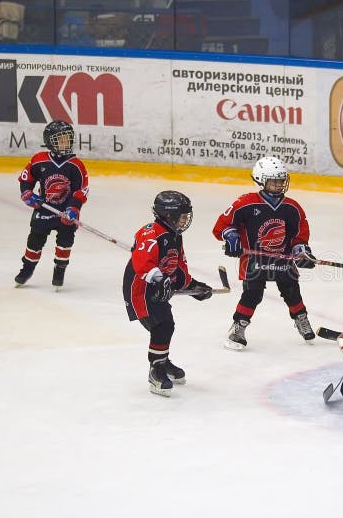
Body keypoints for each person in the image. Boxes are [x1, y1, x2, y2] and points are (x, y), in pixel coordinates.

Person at [212, 156, 316, 350]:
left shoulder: (292, 207)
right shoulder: (246, 203)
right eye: (274, 180)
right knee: (252, 294)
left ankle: (301, 319)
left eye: (281, 180)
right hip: (254, 259)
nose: (279, 184)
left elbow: (299, 234)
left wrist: (301, 250)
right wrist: (231, 237)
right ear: (261, 180)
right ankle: (238, 327)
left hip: (282, 258)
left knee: (292, 291)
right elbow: (222, 225)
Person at [123, 191, 213, 397]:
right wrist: (157, 278)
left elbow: (177, 268)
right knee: (162, 325)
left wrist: (194, 287)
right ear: (169, 214)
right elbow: (142, 263)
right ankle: (156, 370)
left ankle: (161, 361)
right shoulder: (151, 233)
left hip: (157, 289)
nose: (185, 219)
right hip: (140, 289)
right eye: (182, 215)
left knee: (164, 326)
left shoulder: (175, 235)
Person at [14, 120, 89, 290]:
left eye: (67, 139)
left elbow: (81, 190)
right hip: (44, 210)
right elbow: (26, 179)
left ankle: (59, 270)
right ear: (50, 142)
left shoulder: (76, 165)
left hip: (66, 213)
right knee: (34, 241)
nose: (65, 143)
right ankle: (27, 269)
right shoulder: (39, 160)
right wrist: (27, 193)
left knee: (65, 243)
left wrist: (73, 208)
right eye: (60, 139)